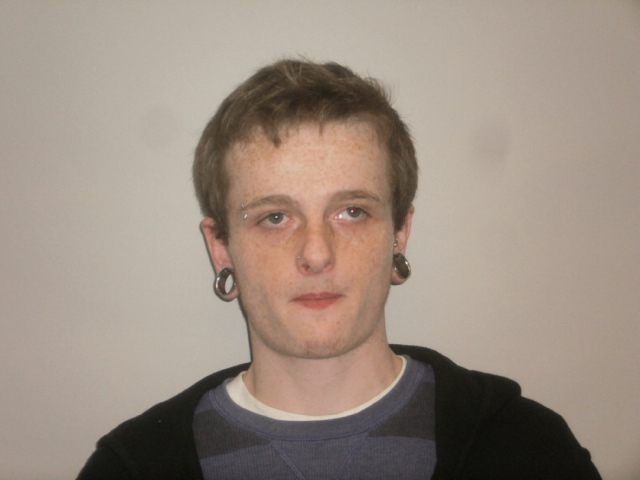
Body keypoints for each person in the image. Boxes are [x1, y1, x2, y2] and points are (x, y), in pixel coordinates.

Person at [78, 59, 601, 479]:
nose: (317, 253)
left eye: (352, 212)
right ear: (221, 248)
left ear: (399, 233)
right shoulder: (135, 466)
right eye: (275, 217)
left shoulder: (527, 449)